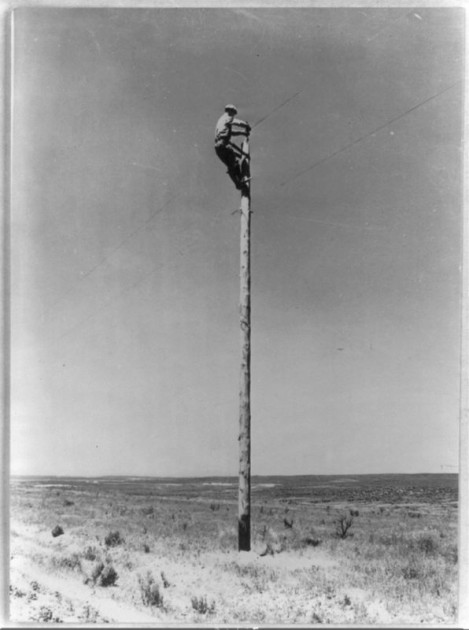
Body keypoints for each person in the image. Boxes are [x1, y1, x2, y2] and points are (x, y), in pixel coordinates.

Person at [214, 104, 251, 189]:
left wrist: (242, 133)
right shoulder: (227, 117)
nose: (233, 115)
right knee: (234, 163)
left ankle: (238, 183)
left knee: (232, 165)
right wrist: (246, 125)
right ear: (230, 111)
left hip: (218, 147)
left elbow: (230, 133)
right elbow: (236, 122)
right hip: (223, 144)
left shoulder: (222, 121)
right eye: (233, 113)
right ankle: (240, 180)